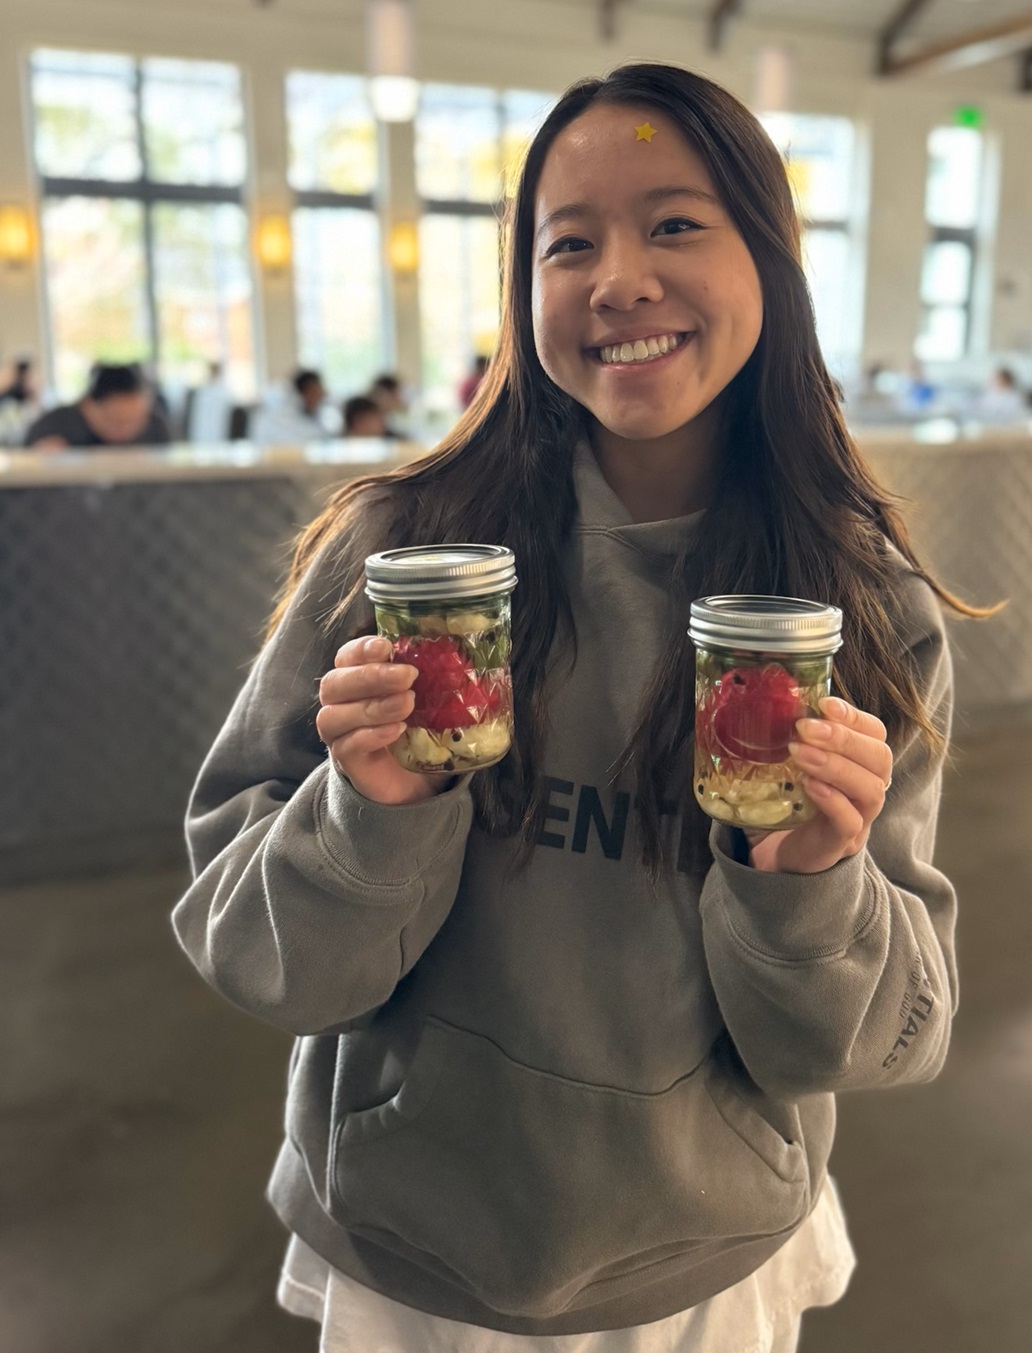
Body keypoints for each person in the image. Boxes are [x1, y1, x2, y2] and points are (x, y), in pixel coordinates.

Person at [173, 62, 984, 1352]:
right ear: (521, 287)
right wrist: (366, 819)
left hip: (702, 1257)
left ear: (770, 261)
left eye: (674, 223)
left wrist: (811, 881)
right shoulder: (403, 558)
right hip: (409, 1242)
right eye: (569, 243)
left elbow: (887, 1037)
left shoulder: (857, 608)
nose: (618, 279)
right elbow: (254, 949)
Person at [23, 362, 171, 449]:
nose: (126, 432)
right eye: (116, 422)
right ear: (87, 407)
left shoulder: (156, 427)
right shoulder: (54, 427)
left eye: (135, 422)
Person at [250, 368, 330, 445]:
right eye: (315, 392)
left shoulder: (317, 418)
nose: (322, 396)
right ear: (303, 393)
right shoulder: (275, 421)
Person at [187, 360, 233, 444]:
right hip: (202, 433)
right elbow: (197, 415)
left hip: (218, 433)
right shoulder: (203, 391)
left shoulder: (223, 392)